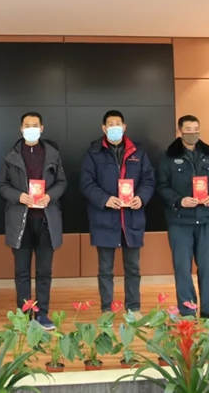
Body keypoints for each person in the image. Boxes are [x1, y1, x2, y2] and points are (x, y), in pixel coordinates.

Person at [0, 112, 67, 330]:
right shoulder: (11, 155)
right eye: (27, 125)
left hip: (46, 221)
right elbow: (1, 185)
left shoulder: (53, 154)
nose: (31, 128)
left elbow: (62, 182)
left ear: (42, 128)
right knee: (22, 272)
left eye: (35, 125)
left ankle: (42, 314)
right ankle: (25, 315)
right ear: (21, 129)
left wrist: (50, 196)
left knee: (44, 272)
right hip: (21, 221)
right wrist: (18, 196)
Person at [80, 110, 155, 312]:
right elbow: (86, 183)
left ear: (124, 127)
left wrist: (141, 198)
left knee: (133, 269)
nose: (114, 127)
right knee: (105, 270)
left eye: (118, 124)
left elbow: (149, 180)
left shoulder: (138, 152)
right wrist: (105, 199)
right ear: (104, 128)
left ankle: (134, 309)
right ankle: (107, 310)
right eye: (110, 124)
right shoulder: (93, 153)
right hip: (104, 219)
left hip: (132, 219)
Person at [156, 114, 209, 317]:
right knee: (182, 268)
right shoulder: (168, 157)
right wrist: (179, 200)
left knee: (207, 267)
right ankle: (187, 311)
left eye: (196, 129)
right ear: (180, 131)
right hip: (179, 221)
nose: (193, 133)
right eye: (188, 130)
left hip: (205, 220)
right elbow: (162, 186)